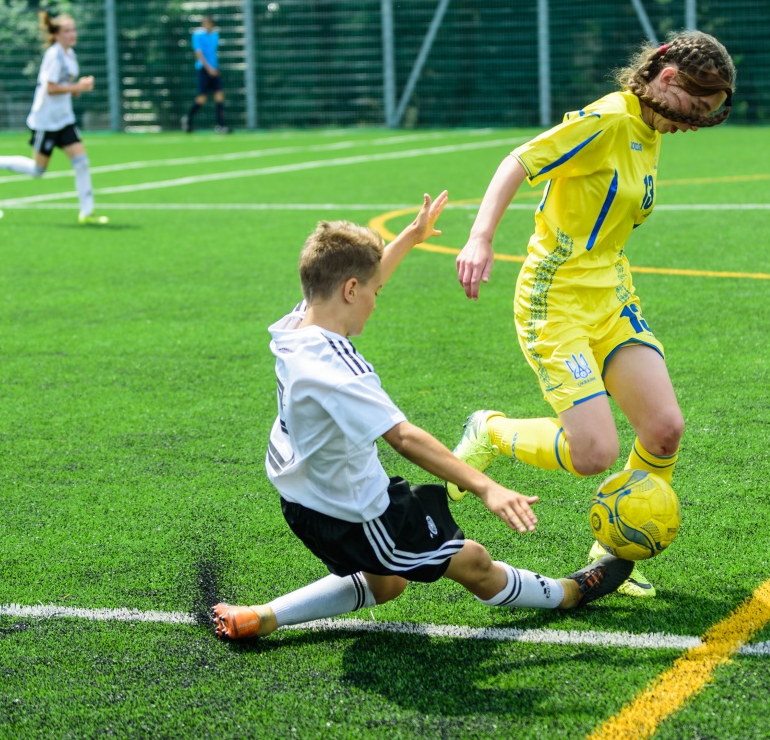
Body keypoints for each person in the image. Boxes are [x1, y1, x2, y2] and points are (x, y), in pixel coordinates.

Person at [212, 194, 631, 641]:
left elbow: (358, 279)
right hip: (355, 513)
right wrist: (486, 486)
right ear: (351, 290)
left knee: (388, 581)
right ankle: (568, 593)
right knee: (473, 561)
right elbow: (404, 438)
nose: (376, 301)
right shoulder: (339, 370)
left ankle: (260, 616)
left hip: (301, 501)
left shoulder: (295, 327)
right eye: (374, 293)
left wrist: (409, 238)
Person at [451, 31, 736, 599]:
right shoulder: (609, 119)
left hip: (612, 297)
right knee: (595, 454)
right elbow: (519, 160)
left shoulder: (651, 127)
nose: (696, 123)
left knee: (664, 428)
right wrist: (481, 237)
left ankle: (616, 547)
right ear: (668, 78)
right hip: (554, 302)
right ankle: (490, 430)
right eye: (695, 109)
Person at [0, 12, 107, 225]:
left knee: (82, 163)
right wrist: (77, 87)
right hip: (46, 121)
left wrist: (79, 88)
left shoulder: (69, 55)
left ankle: (87, 213)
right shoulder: (53, 55)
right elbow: (50, 88)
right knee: (38, 170)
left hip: (64, 119)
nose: (72, 34)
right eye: (67, 31)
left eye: (73, 29)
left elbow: (65, 87)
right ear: (56, 35)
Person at [181, 15, 230, 134]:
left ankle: (220, 125)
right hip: (203, 69)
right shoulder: (197, 35)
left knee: (219, 96)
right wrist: (209, 69)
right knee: (202, 98)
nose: (205, 25)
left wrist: (215, 68)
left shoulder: (215, 35)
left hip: (214, 69)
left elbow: (213, 53)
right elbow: (199, 54)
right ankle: (188, 118)